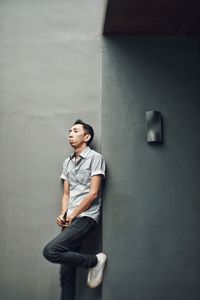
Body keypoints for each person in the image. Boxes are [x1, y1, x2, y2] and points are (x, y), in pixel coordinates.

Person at [43, 119, 107, 300]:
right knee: (66, 276)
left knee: (51, 251)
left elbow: (94, 194)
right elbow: (66, 195)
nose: (70, 133)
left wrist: (73, 214)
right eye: (69, 131)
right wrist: (64, 215)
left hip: (86, 218)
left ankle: (94, 261)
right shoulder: (68, 162)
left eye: (75, 131)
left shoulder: (96, 158)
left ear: (86, 136)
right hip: (71, 219)